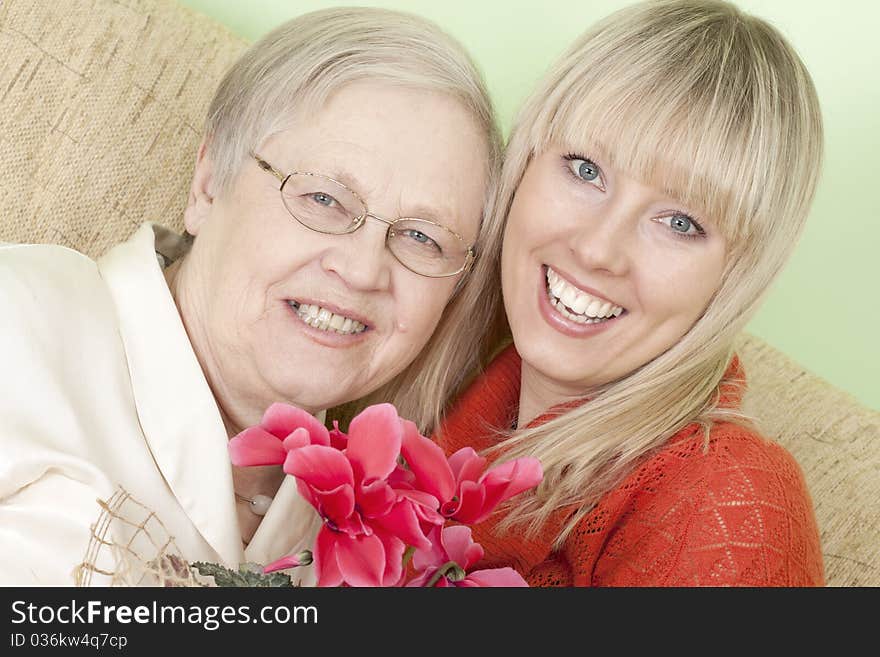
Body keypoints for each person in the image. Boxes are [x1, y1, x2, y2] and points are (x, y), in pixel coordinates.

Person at [0, 7, 503, 585]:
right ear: (210, 181)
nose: (364, 269)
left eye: (421, 238)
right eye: (323, 198)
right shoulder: (17, 324)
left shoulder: (362, 542)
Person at [435, 0, 825, 586]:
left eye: (680, 222)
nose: (597, 250)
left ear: (735, 274)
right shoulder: (446, 374)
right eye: (585, 169)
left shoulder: (725, 500)